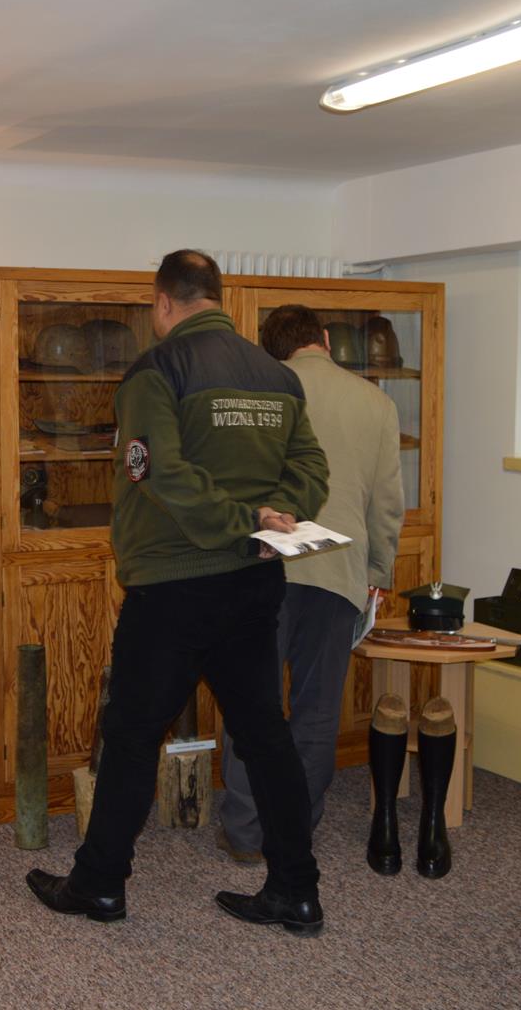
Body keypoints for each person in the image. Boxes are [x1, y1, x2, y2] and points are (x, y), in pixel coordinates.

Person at [26, 249, 331, 934]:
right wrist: (270, 519)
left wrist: (245, 522)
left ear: (163, 303)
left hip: (174, 587)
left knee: (132, 735)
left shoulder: (156, 370)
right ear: (217, 298)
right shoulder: (277, 375)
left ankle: (99, 885)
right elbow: (312, 467)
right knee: (265, 735)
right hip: (254, 581)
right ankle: (296, 890)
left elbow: (159, 472)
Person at [218, 304, 404, 861]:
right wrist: (377, 573)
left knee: (252, 704)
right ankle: (296, 829)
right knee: (317, 710)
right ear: (325, 338)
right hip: (339, 570)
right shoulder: (376, 402)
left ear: (271, 350)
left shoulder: (256, 394)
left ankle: (247, 833)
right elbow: (386, 504)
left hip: (263, 566)